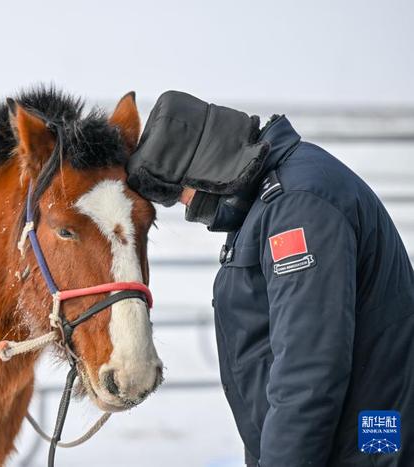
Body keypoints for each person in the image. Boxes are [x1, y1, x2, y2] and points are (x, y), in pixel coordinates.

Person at [126, 91, 414, 466]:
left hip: (358, 448)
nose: (189, 206)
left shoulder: (298, 207)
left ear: (204, 164)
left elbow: (308, 366)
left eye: (181, 193)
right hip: (342, 442)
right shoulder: (274, 198)